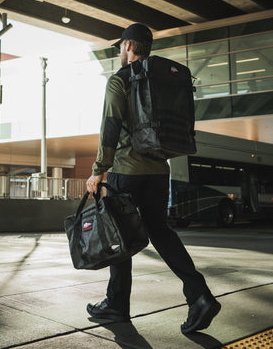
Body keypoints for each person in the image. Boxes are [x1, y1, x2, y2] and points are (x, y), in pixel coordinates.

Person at [86, 23, 221, 334]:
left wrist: (98, 170)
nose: (120, 51)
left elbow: (110, 126)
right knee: (161, 232)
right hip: (160, 171)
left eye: (120, 45)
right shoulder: (162, 81)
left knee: (120, 236)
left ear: (129, 46)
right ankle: (199, 294)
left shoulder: (121, 79)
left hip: (127, 171)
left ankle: (117, 305)